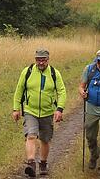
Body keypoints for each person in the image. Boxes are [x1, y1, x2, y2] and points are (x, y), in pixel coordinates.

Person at [12, 49, 67, 177]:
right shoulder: (27, 72)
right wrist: (16, 109)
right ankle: (31, 163)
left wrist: (59, 109)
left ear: (48, 60)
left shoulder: (54, 73)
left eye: (43, 59)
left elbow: (62, 92)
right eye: (38, 59)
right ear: (35, 59)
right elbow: (19, 90)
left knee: (45, 139)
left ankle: (43, 163)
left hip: (47, 112)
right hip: (30, 110)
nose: (41, 62)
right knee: (30, 135)